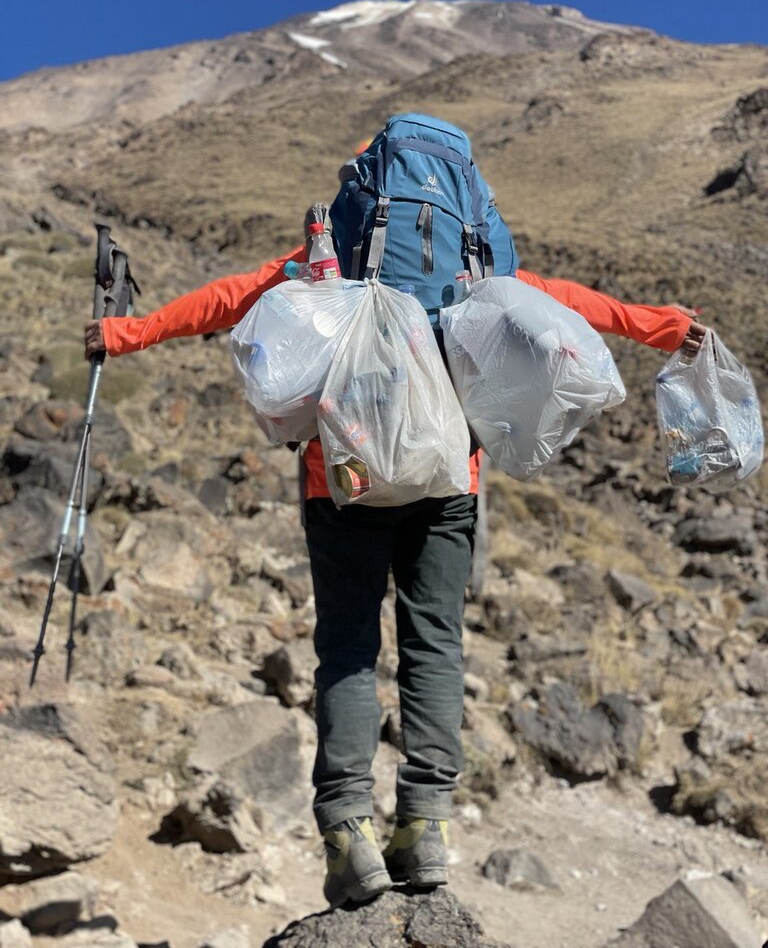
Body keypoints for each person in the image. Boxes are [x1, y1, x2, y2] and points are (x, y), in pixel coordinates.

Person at [84, 156, 706, 910]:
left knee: (347, 647)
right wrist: (667, 327)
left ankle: (349, 834)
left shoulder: (331, 256)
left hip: (342, 480)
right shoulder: (473, 265)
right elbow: (574, 305)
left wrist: (125, 334)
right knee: (435, 642)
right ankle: (426, 828)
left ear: (369, 191)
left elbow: (226, 301)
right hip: (448, 480)